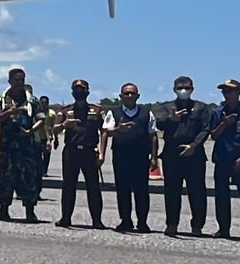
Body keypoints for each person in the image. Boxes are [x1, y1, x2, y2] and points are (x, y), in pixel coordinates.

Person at [191, 79, 240, 240]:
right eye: (224, 91)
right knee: (221, 195)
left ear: (239, 92)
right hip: (222, 158)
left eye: (230, 91)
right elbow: (213, 135)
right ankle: (223, 229)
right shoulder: (217, 112)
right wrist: (224, 123)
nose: (227, 94)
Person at [156, 76, 212, 236]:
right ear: (174, 89)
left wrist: (193, 145)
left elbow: (206, 129)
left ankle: (197, 226)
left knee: (197, 192)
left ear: (192, 89)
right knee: (172, 192)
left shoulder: (201, 107)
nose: (184, 91)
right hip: (172, 155)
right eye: (180, 87)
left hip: (194, 155)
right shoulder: (166, 107)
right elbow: (158, 123)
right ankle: (172, 224)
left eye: (187, 88)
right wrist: (171, 119)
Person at [101, 83, 158, 233]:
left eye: (133, 93)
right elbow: (107, 132)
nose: (130, 96)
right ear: (121, 96)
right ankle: (125, 220)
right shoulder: (113, 113)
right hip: (121, 157)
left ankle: (142, 222)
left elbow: (153, 136)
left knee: (142, 190)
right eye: (126, 93)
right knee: (122, 190)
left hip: (140, 157)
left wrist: (154, 157)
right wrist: (118, 130)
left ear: (138, 96)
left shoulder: (147, 113)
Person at [0, 71, 42, 223]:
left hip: (26, 148)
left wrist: (31, 131)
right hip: (7, 148)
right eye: (16, 80)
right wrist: (9, 112)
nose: (19, 82)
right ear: (9, 81)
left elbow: (40, 119)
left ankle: (30, 212)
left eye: (22, 80)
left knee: (28, 179)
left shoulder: (32, 101)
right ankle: (3, 210)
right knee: (5, 179)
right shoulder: (2, 100)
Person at [57, 79, 106, 229]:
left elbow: (104, 131)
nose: (79, 91)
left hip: (89, 152)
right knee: (68, 186)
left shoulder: (96, 111)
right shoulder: (65, 111)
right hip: (71, 152)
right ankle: (65, 218)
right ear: (72, 92)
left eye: (82, 89)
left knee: (93, 187)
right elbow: (54, 129)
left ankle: (97, 221)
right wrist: (65, 125)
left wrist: (102, 153)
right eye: (76, 89)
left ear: (88, 91)